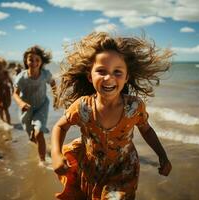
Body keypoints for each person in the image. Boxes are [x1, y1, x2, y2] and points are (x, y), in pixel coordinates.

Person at [51, 32, 173, 199]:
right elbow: (60, 126)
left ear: (126, 77)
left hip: (122, 171)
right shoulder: (83, 106)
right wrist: (56, 154)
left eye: (117, 72)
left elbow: (146, 130)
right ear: (90, 76)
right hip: (90, 169)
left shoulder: (134, 107)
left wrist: (162, 155)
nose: (109, 78)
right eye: (101, 71)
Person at [13, 45, 57, 166]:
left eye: (37, 60)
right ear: (26, 61)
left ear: (41, 62)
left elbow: (53, 83)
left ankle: (42, 161)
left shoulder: (45, 74)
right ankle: (38, 143)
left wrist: (56, 97)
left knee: (39, 133)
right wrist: (21, 103)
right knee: (31, 136)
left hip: (42, 106)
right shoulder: (21, 77)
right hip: (26, 108)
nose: (34, 62)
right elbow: (15, 94)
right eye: (30, 59)